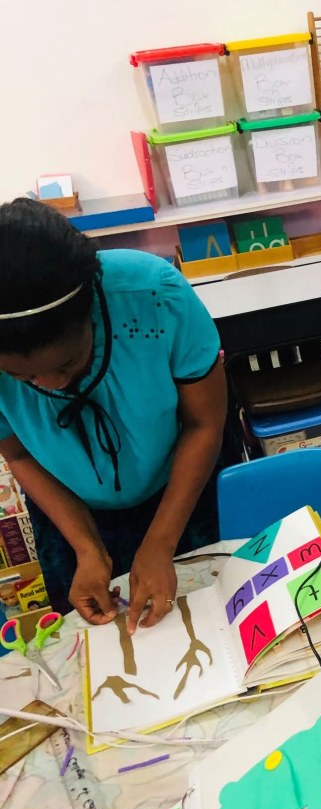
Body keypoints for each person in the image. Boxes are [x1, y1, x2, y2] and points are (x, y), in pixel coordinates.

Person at [0, 198, 227, 631]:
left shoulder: (155, 297)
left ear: (92, 310)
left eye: (69, 364)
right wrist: (87, 548)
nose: (52, 385)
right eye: (21, 376)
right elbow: (20, 454)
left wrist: (160, 542)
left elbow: (204, 423)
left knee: (208, 620)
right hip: (69, 510)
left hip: (183, 486)